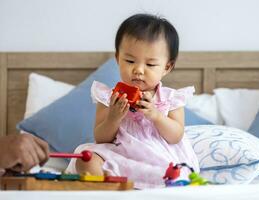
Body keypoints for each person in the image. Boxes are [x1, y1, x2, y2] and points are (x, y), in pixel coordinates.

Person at [66, 13, 199, 189]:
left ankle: (136, 186)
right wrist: (113, 117)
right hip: (118, 153)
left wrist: (156, 116)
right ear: (117, 58)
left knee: (174, 173)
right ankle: (106, 189)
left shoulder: (170, 98)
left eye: (150, 65)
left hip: (155, 157)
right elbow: (101, 138)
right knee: (86, 158)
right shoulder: (109, 97)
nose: (138, 70)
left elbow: (176, 136)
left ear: (167, 67)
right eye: (129, 61)